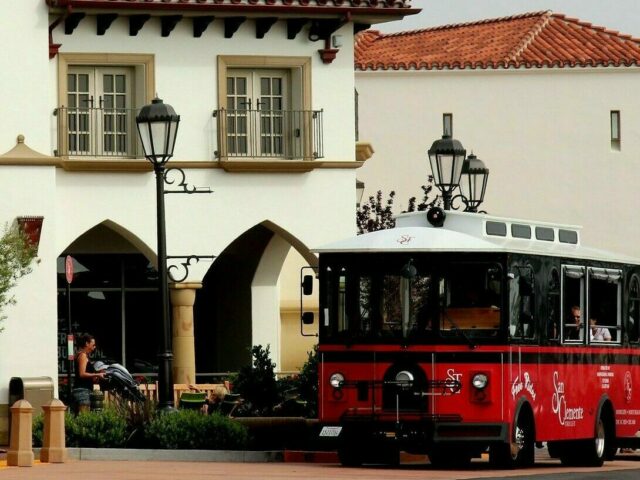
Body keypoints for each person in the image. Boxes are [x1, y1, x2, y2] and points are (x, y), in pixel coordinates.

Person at [73, 333, 105, 414]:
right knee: (84, 418)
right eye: (93, 344)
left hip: (86, 390)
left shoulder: (85, 356)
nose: (94, 347)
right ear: (87, 343)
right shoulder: (83, 355)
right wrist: (97, 374)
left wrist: (96, 377)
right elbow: (82, 374)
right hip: (82, 391)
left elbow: (87, 375)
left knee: (85, 417)